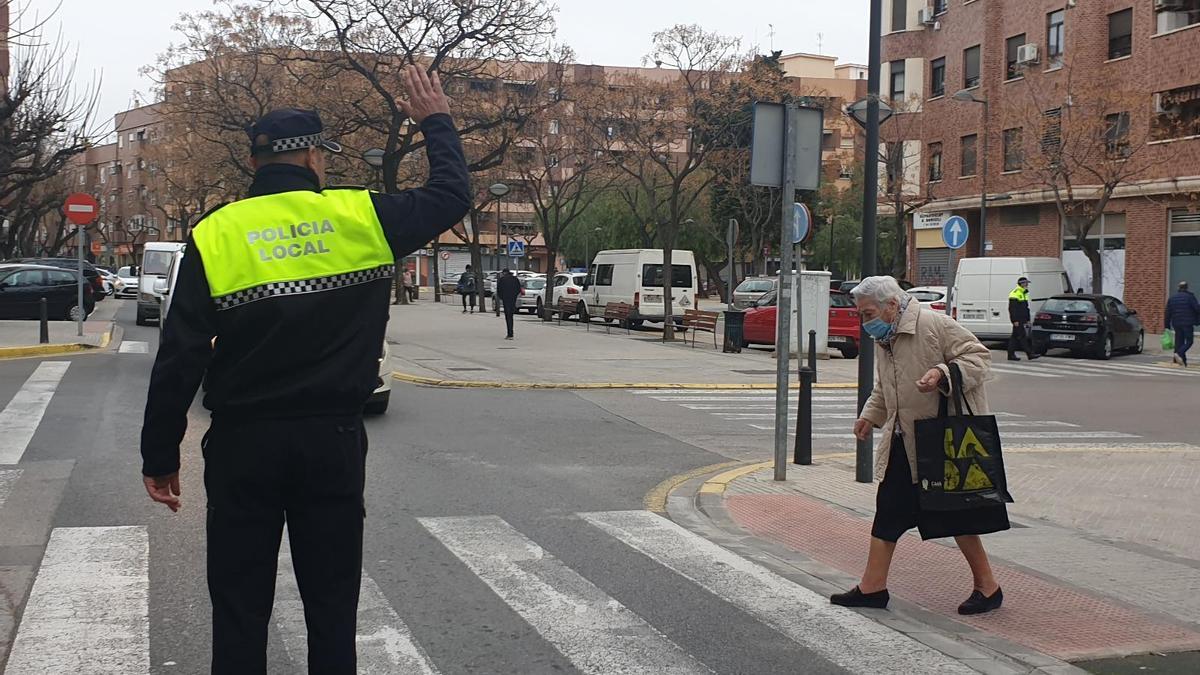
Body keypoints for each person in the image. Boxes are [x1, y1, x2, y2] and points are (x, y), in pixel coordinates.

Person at [139, 66, 470, 673]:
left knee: (239, 605)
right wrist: (435, 120)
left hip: (243, 445)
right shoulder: (362, 218)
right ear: (314, 157)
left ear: (257, 162)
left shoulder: (215, 235)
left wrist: (159, 457)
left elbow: (180, 355)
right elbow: (453, 194)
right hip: (331, 440)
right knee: (331, 604)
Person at [832, 276, 1008, 616]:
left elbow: (979, 359)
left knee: (956, 514)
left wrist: (942, 373)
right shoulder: (888, 338)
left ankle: (988, 586)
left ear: (892, 306)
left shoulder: (933, 324)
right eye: (861, 314)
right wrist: (870, 416)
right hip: (904, 438)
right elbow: (887, 387)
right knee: (888, 512)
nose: (863, 321)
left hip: (939, 441)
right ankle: (872, 587)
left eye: (867, 313)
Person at [1165, 280, 1200, 367]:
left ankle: (1182, 361)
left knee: (1179, 342)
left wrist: (1167, 325)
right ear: (1186, 288)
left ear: (1178, 288)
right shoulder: (1190, 297)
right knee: (1189, 341)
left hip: (1176, 323)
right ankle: (1179, 354)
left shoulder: (1172, 298)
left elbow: (1168, 313)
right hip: (1187, 323)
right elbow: (1197, 309)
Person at [1007, 276, 1038, 362]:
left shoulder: (1023, 293)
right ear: (1022, 284)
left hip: (1022, 318)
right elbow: (1012, 309)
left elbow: (1025, 308)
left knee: (1015, 337)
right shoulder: (1015, 293)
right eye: (1026, 283)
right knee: (1022, 336)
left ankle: (1011, 354)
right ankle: (1029, 354)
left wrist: (1027, 319)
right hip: (1018, 319)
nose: (1027, 284)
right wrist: (1014, 320)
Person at [496, 269, 522, 340]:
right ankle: (511, 333)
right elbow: (518, 289)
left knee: (507, 316)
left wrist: (502, 297)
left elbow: (499, 290)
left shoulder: (502, 279)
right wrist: (514, 296)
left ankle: (510, 333)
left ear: (504, 273)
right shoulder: (515, 279)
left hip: (506, 299)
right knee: (511, 315)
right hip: (512, 299)